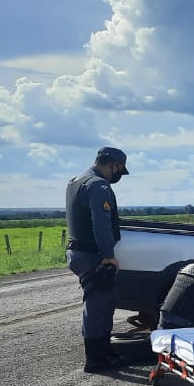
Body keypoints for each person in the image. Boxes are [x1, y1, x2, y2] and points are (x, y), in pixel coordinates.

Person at [66, 146, 130, 373]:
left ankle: (103, 351)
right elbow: (100, 225)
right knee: (98, 305)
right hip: (92, 254)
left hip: (78, 250)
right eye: (119, 169)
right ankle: (95, 358)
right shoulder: (98, 185)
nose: (119, 174)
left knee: (103, 302)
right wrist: (108, 256)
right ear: (113, 164)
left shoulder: (76, 180)